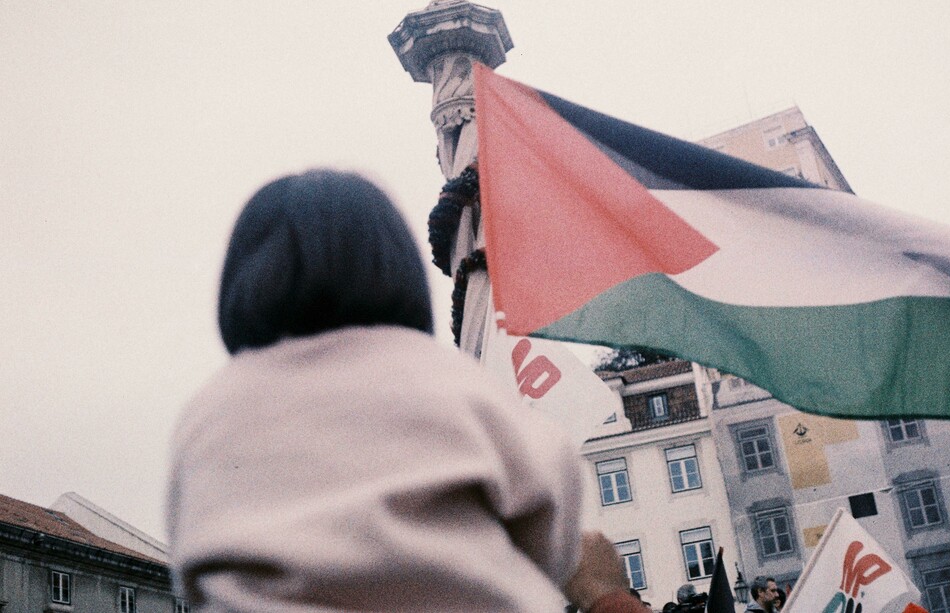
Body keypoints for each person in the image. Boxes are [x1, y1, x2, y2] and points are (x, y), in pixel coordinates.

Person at [166, 169, 644, 612]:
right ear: (397, 269)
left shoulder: (206, 414)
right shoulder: (452, 383)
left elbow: (191, 556)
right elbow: (550, 511)